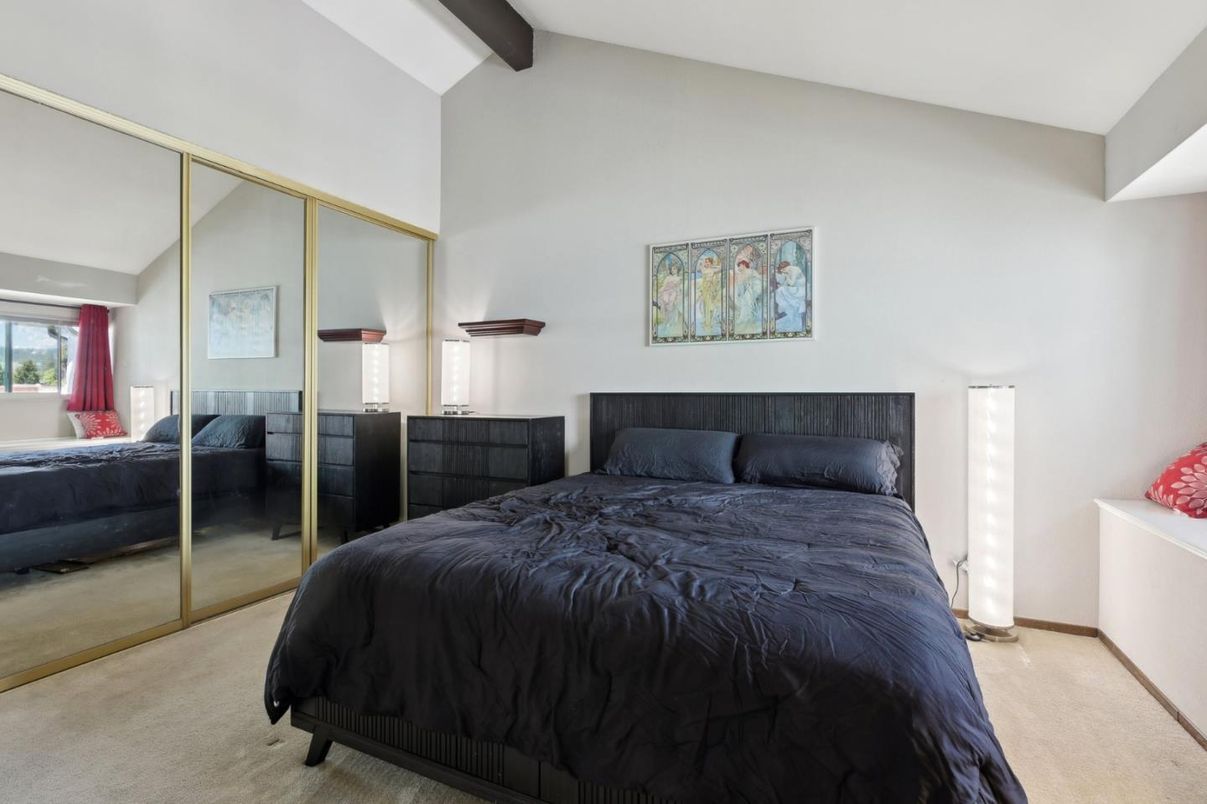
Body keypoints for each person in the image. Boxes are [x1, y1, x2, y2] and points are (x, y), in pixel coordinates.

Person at [773, 259, 807, 332]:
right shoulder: (789, 271)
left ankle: (789, 311)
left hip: (799, 290)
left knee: (780, 291)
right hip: (795, 289)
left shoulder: (794, 270)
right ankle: (788, 311)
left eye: (783, 270)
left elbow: (791, 283)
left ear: (784, 268)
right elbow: (787, 283)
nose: (783, 272)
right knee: (779, 291)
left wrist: (786, 276)